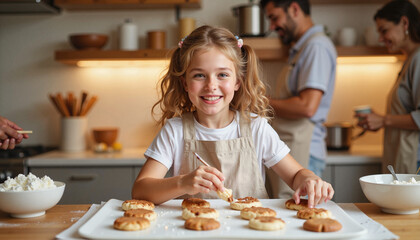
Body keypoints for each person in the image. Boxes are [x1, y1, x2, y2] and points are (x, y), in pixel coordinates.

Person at [131, 25, 334, 208]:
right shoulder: (175, 131)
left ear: (238, 81)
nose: (211, 85)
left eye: (222, 75)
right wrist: (182, 182)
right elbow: (140, 190)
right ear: (185, 83)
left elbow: (296, 175)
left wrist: (309, 179)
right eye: (199, 75)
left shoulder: (256, 128)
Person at [260, 0, 337, 198]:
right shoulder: (301, 49)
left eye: (274, 17)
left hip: (305, 152)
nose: (272, 27)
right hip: (293, 147)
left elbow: (307, 107)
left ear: (294, 9)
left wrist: (260, 100)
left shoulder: (316, 47)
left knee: (301, 215)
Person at [355, 0, 420, 173]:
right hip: (404, 155)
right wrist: (380, 120)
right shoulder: (410, 59)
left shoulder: (419, 59)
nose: (381, 39)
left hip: (415, 159)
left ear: (404, 23)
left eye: (384, 30)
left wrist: (384, 120)